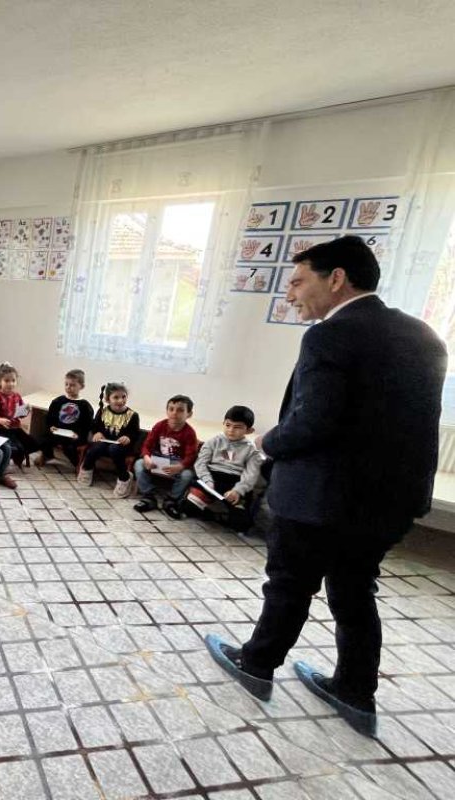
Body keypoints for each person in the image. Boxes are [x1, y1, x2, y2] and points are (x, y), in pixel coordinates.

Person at [205, 236, 447, 737]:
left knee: (290, 584)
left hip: (320, 497)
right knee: (355, 591)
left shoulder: (329, 336)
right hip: (389, 502)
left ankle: (257, 665)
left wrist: (268, 442)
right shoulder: (425, 335)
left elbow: (314, 422)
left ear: (336, 278)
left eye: (298, 281)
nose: (290, 293)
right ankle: (355, 693)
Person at [184, 405, 264, 533]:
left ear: (249, 430)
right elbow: (200, 463)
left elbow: (251, 475)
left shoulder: (252, 451)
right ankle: (211, 514)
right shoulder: (213, 441)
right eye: (228, 425)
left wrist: (238, 491)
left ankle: (225, 515)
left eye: (237, 427)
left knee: (241, 524)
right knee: (188, 507)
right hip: (211, 478)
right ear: (223, 424)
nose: (231, 430)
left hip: (234, 483)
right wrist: (207, 480)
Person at [133, 395, 198, 519]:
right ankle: (149, 497)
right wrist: (146, 457)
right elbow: (147, 445)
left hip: (176, 464)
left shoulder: (189, 433)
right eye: (171, 409)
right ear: (167, 410)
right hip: (158, 460)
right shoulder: (160, 426)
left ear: (189, 414)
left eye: (180, 410)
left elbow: (191, 455)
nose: (174, 413)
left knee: (187, 475)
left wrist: (180, 466)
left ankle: (171, 500)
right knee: (139, 464)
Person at [79, 382, 140, 497]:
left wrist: (128, 437)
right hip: (104, 443)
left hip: (121, 447)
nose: (120, 400)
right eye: (116, 397)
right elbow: (95, 426)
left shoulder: (133, 415)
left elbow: (135, 433)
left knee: (114, 449)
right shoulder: (103, 412)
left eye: (123, 397)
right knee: (95, 448)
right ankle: (87, 468)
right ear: (108, 399)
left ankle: (124, 477)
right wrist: (97, 432)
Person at [35, 369, 94, 468]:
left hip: (74, 435)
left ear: (81, 386)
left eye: (72, 385)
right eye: (66, 384)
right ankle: (48, 455)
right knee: (42, 439)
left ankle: (78, 464)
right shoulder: (58, 401)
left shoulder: (84, 405)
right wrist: (51, 426)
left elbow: (87, 424)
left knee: (69, 447)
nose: (68, 387)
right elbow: (50, 418)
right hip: (59, 432)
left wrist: (78, 434)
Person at [0, 362, 39, 467]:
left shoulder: (17, 396)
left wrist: (25, 410)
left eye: (13, 380)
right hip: (2, 430)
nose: (10, 384)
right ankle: (12, 457)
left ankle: (18, 455)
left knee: (33, 443)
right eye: (7, 381)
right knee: (15, 448)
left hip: (15, 428)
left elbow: (20, 414)